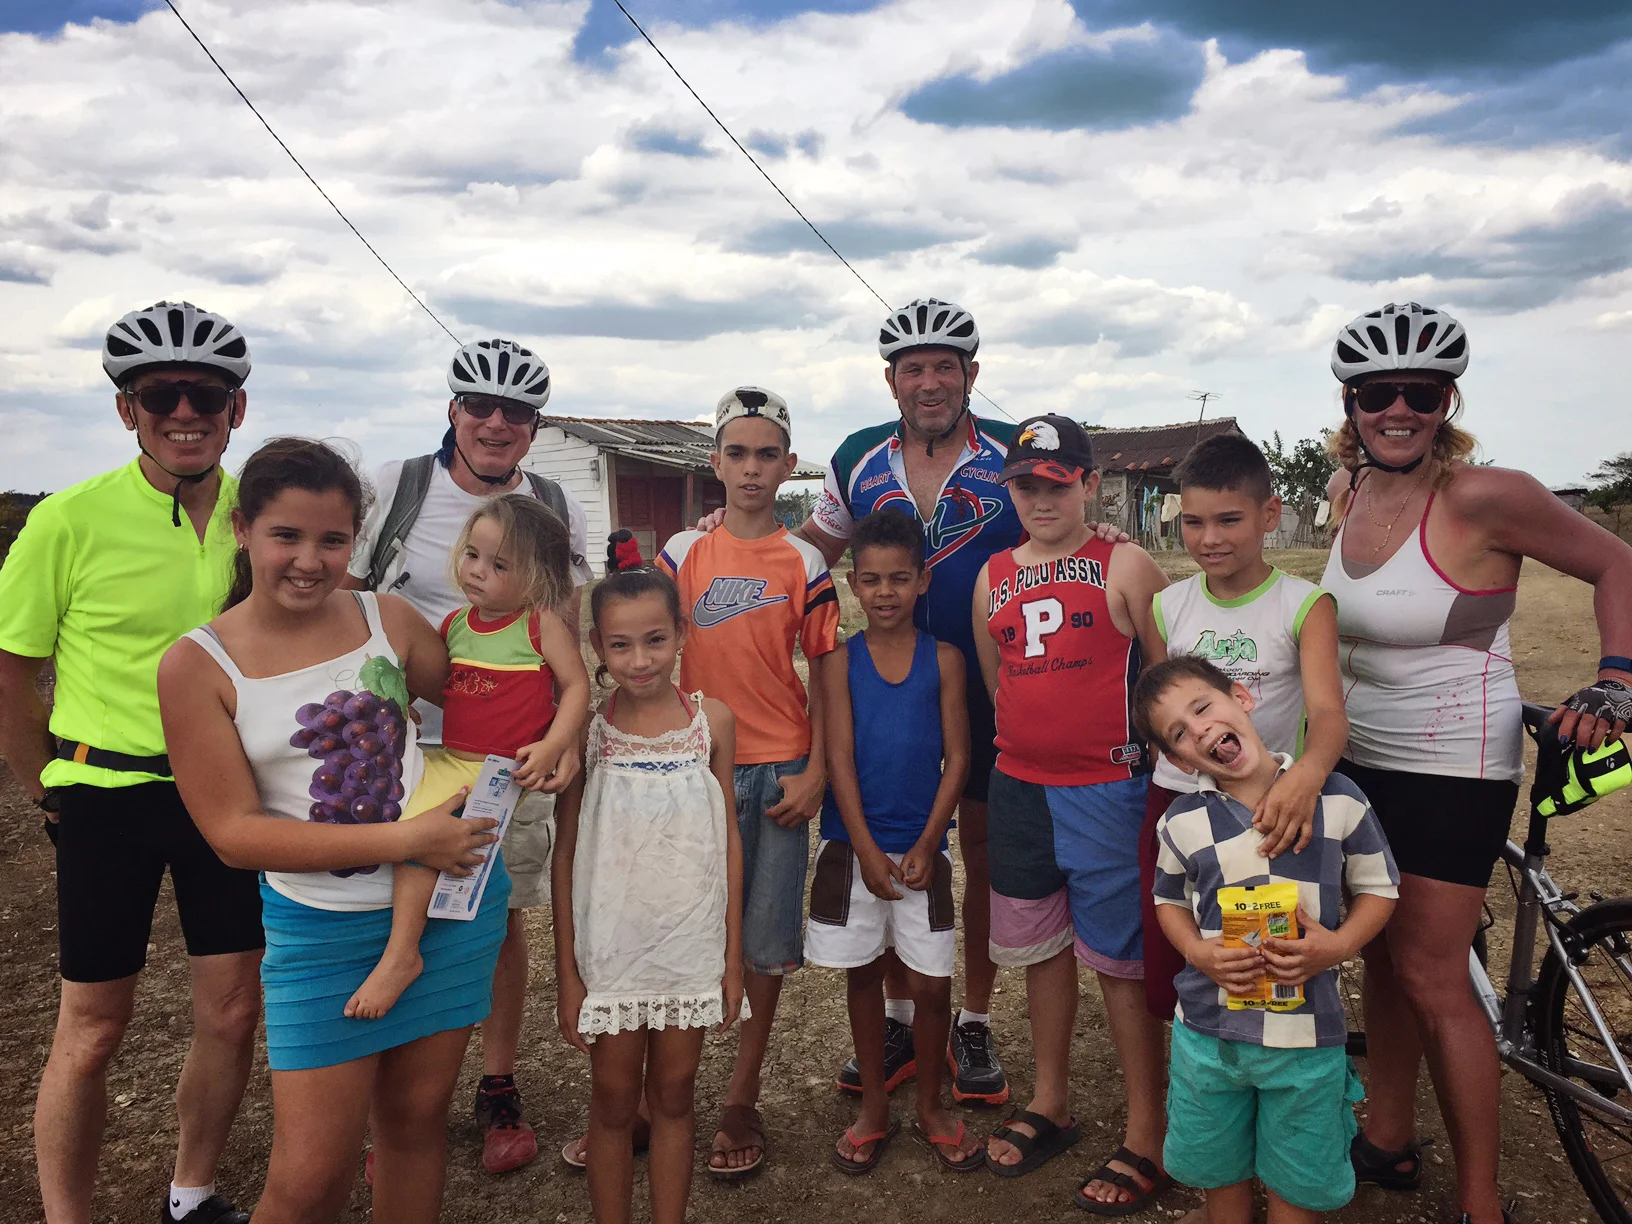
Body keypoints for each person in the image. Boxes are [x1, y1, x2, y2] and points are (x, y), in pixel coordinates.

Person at [1320, 302, 1632, 1224]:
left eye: (1422, 391)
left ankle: (1482, 1200)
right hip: (1360, 753)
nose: (1400, 408)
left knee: (1432, 970)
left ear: (1448, 399)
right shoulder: (1346, 493)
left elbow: (1619, 565)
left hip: (1453, 759)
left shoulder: (1487, 495)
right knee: (1378, 947)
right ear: (1353, 402)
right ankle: (1384, 1138)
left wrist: (1615, 681)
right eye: (1381, 392)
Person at [157, 437, 507, 1224]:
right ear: (243, 529)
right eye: (287, 535)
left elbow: (486, 695)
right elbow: (234, 834)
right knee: (310, 1178)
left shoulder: (386, 618)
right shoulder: (198, 665)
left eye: (332, 540)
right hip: (321, 930)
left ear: (357, 540)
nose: (310, 561)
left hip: (449, 908)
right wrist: (405, 841)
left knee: (416, 1130)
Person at [0, 301, 263, 1224]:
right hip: (105, 792)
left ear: (238, 409)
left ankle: (191, 1193)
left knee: (232, 1010)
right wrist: (44, 783)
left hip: (225, 794)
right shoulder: (65, 521)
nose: (184, 411)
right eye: (161, 395)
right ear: (127, 411)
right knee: (94, 1026)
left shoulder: (259, 516)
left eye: (208, 394)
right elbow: (11, 667)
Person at [347, 336, 591, 1172]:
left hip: (507, 760)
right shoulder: (397, 488)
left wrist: (568, 741)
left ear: (533, 427)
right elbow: (350, 605)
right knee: (395, 914)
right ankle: (399, 1112)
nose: (495, 423)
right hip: (408, 747)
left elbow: (572, 635)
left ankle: (496, 1083)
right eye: (478, 406)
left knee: (496, 920)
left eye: (515, 412)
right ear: (452, 411)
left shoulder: (555, 501)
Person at [971, 415, 1172, 1213]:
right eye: (1025, 484)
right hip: (1021, 787)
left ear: (1088, 483)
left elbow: (1165, 681)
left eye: (1057, 484)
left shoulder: (1125, 562)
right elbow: (999, 681)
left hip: (1108, 791)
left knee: (1122, 965)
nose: (1040, 498)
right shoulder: (994, 573)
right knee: (1042, 950)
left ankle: (1146, 1131)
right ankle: (1051, 1101)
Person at [1137, 656, 1400, 1223]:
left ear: (1242, 698)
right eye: (1179, 733)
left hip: (1305, 1041)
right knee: (1219, 1173)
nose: (1200, 728)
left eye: (1204, 707)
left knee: (1297, 1185)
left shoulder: (1339, 799)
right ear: (1179, 760)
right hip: (1208, 1038)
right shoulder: (1181, 823)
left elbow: (1381, 888)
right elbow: (1168, 901)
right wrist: (1196, 951)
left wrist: (1339, 945)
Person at [659, 386, 840, 1176]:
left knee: (766, 943)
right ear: (715, 462)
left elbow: (828, 678)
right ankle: (661, 1096)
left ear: (789, 465)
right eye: (737, 452)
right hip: (695, 769)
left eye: (768, 454)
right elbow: (646, 652)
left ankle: (741, 1091)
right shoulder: (681, 554)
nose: (752, 468)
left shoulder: (806, 562)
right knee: (685, 935)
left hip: (778, 773)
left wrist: (820, 772)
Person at [551, 555, 746, 1224]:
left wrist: (730, 960)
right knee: (610, 1102)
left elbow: (728, 844)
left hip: (689, 948)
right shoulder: (585, 732)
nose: (640, 660)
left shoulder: (711, 724)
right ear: (598, 649)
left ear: (682, 633)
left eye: (655, 639)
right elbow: (567, 851)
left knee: (675, 1094)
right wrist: (568, 973)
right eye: (621, 644)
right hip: (612, 953)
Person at [345, 494, 590, 1020]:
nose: (477, 571)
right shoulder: (455, 624)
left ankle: (402, 955)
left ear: (538, 575)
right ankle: (410, 954)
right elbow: (430, 681)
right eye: (472, 555)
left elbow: (575, 687)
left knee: (429, 836)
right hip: (454, 759)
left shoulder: (538, 625)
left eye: (499, 565)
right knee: (414, 829)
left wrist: (553, 743)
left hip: (504, 772)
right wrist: (402, 706)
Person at [1139, 434, 1348, 1020]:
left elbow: (1329, 713)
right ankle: (1191, 1087)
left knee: (1264, 955)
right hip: (1176, 802)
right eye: (1194, 522)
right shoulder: (1167, 605)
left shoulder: (1305, 604)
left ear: (1270, 514)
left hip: (1269, 807)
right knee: (1178, 946)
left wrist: (1306, 778)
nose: (1210, 538)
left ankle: (1274, 1075)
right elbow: (1161, 713)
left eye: (1229, 520)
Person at [808, 509, 981, 1174]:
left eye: (899, 579)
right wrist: (866, 849)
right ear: (853, 584)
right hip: (855, 850)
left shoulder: (945, 660)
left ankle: (932, 1107)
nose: (885, 592)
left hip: (922, 855)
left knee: (933, 984)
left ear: (922, 581)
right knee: (865, 976)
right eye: (872, 579)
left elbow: (958, 759)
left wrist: (928, 843)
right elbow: (840, 762)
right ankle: (874, 1108)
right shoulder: (835, 663)